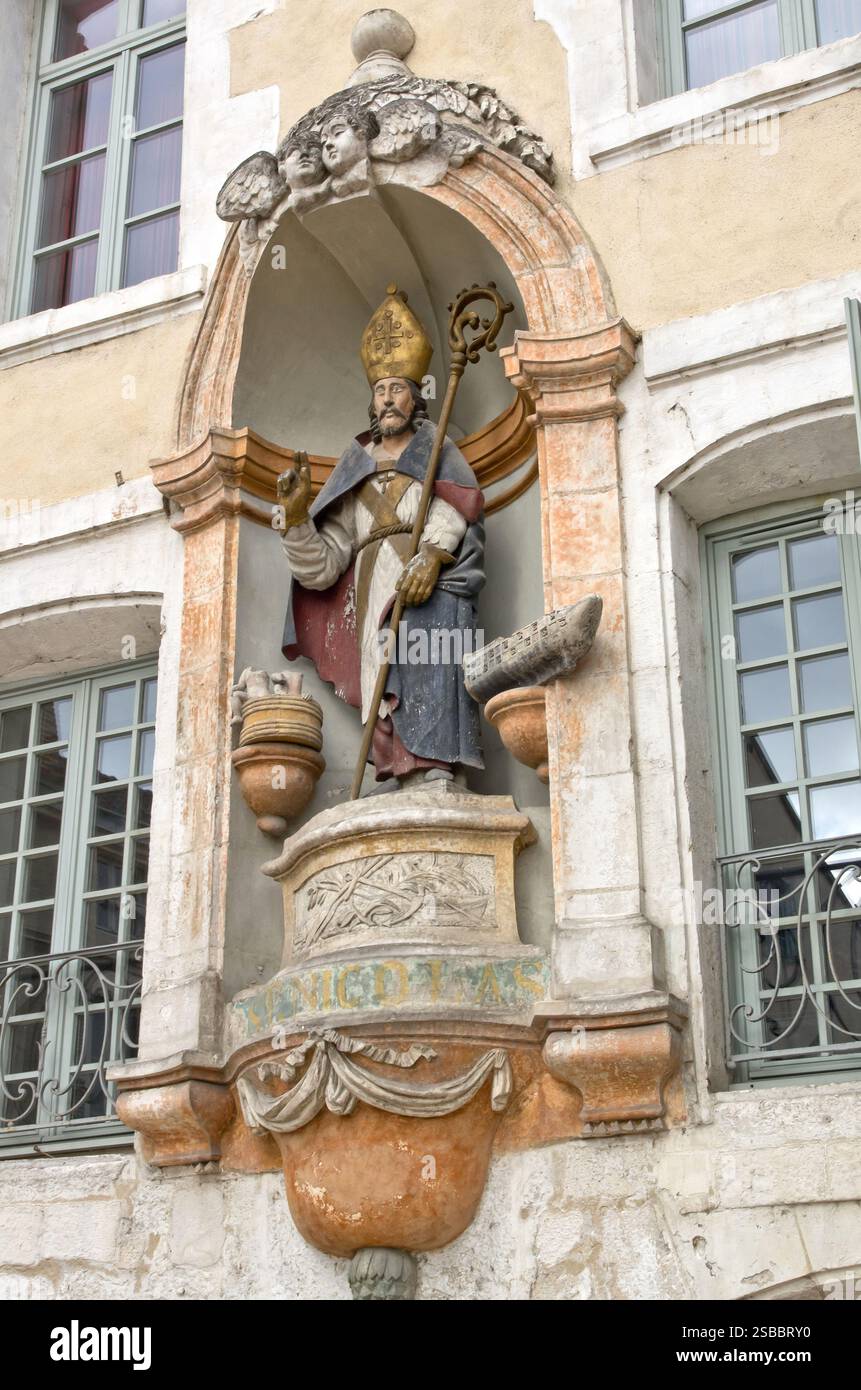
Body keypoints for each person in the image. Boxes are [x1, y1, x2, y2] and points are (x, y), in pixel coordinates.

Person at [277, 285, 485, 789]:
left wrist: (432, 558)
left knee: (427, 657)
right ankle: (396, 767)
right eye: (380, 390)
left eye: (398, 388)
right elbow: (324, 565)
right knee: (380, 674)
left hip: (422, 581)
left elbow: (456, 510)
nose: (388, 398)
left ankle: (434, 765)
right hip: (368, 590)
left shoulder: (435, 451)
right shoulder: (355, 468)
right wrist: (298, 515)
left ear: (416, 395)